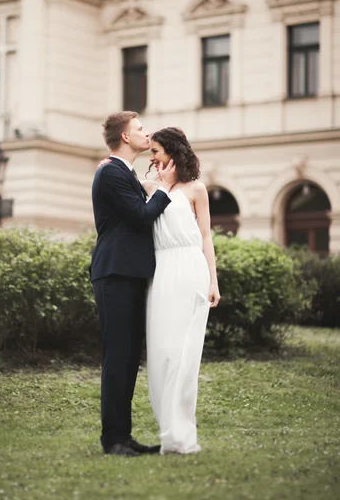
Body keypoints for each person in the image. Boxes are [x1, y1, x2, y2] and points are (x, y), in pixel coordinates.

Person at [90, 111, 176, 457]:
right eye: (140, 129)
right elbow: (141, 217)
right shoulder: (111, 172)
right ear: (125, 137)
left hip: (129, 273)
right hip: (115, 273)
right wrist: (165, 188)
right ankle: (113, 440)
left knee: (127, 359)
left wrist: (153, 187)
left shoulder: (120, 173)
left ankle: (123, 437)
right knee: (118, 356)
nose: (146, 133)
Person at [142, 126, 221, 455]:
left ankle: (182, 432)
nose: (152, 157)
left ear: (172, 152)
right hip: (161, 274)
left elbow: (205, 236)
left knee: (185, 354)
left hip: (191, 271)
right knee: (162, 352)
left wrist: (213, 280)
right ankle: (167, 428)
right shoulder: (149, 186)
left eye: (156, 151)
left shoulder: (196, 189)